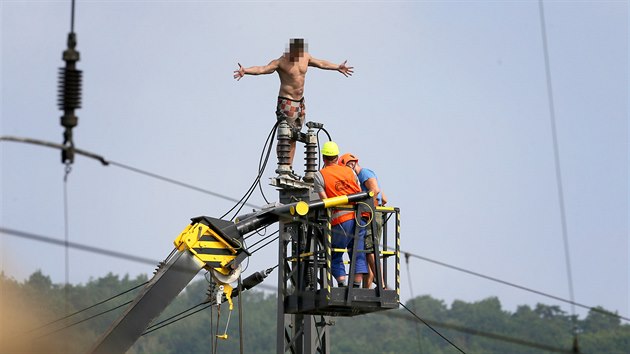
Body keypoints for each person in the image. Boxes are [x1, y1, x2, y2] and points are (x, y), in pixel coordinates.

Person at [234, 38, 354, 177]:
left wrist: (337, 67)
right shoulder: (280, 62)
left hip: (300, 102)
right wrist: (246, 71)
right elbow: (262, 69)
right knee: (285, 135)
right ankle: (283, 166)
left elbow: (321, 63)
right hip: (287, 101)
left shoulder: (305, 57)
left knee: (295, 135)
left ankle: (289, 168)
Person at [313, 142, 367, 288]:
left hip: (340, 220)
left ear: (324, 158)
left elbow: (325, 200)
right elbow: (358, 191)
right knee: (358, 250)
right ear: (337, 157)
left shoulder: (319, 175)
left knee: (335, 252)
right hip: (359, 217)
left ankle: (342, 284)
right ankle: (356, 285)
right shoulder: (350, 171)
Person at [338, 153, 388, 289]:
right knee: (367, 251)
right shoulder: (363, 176)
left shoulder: (364, 173)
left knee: (370, 250)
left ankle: (381, 285)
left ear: (351, 164)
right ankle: (368, 288)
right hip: (374, 214)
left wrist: (366, 209)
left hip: (371, 214)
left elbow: (375, 191)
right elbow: (384, 199)